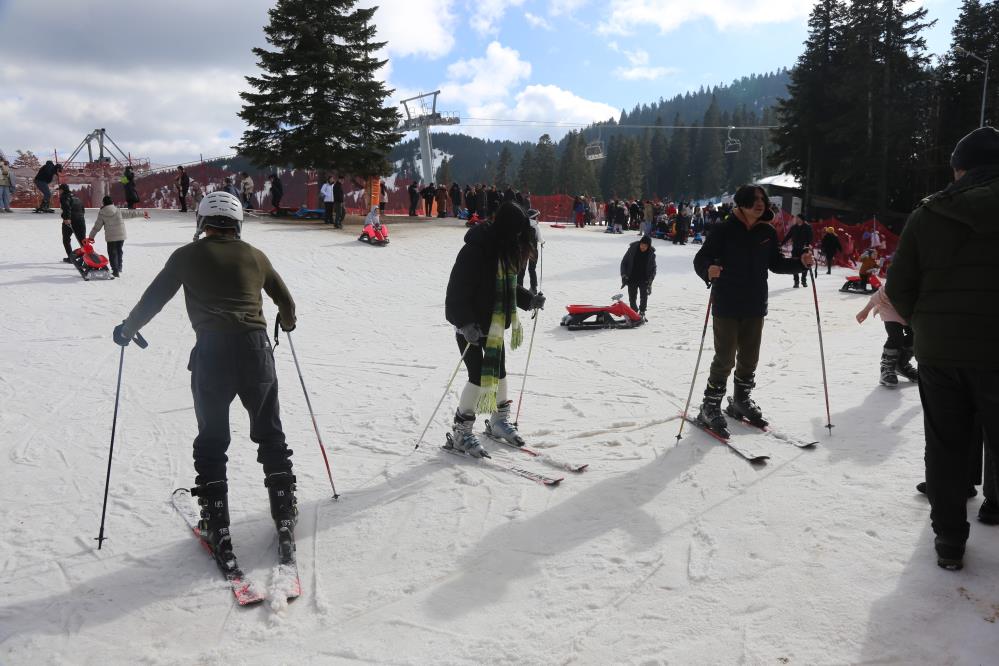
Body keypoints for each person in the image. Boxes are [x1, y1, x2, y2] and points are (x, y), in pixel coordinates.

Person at [113, 190, 298, 574]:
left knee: (212, 440)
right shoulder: (255, 256)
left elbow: (154, 298)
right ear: (237, 223)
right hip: (255, 350)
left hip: (212, 353)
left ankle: (217, 524)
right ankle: (284, 513)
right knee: (270, 433)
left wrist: (129, 328)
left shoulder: (186, 256)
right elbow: (286, 302)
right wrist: (289, 321)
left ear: (202, 223)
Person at [884, 125, 999, 570]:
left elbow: (900, 288)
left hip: (942, 352)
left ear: (958, 168)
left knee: (947, 442)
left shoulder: (930, 212)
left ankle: (950, 540)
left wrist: (926, 325)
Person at [692, 185, 814, 436]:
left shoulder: (766, 231)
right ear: (741, 202)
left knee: (749, 358)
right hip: (726, 302)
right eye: (755, 199)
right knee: (725, 357)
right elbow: (701, 258)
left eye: (763, 200)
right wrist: (708, 271)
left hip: (755, 304)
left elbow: (776, 264)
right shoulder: (724, 229)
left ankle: (740, 400)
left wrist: (800, 264)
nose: (760, 204)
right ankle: (710, 405)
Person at [445, 202, 546, 456]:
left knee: (499, 372)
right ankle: (461, 431)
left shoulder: (503, 247)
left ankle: (499, 420)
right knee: (478, 376)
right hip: (470, 327)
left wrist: (528, 299)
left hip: (494, 325)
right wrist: (465, 322)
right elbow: (455, 292)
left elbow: (508, 287)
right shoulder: (475, 250)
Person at [855, 287, 917, 387]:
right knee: (896, 337)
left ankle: (901, 364)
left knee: (915, 336)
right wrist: (865, 311)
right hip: (889, 307)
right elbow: (876, 297)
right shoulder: (895, 282)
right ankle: (886, 367)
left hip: (908, 310)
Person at [89, 196, 127, 277]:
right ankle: (119, 267)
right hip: (121, 234)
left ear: (104, 203)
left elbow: (97, 226)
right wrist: (142, 213)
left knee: (112, 253)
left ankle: (115, 271)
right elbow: (130, 213)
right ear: (112, 202)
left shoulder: (102, 212)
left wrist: (91, 236)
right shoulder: (117, 209)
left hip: (111, 237)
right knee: (119, 250)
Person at [621, 235, 656, 318]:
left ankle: (642, 311)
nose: (643, 247)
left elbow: (653, 268)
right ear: (640, 243)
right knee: (632, 297)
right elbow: (624, 262)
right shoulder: (632, 249)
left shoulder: (651, 254)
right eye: (642, 245)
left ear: (648, 246)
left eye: (645, 246)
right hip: (632, 277)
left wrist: (650, 280)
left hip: (644, 279)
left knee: (644, 296)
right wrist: (623, 274)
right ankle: (634, 311)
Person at [782, 217, 813, 287]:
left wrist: (808, 245)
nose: (797, 220)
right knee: (794, 265)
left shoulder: (807, 227)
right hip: (795, 250)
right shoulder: (794, 227)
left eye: (799, 219)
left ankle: (804, 280)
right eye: (797, 219)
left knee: (805, 265)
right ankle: (796, 282)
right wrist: (782, 243)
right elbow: (788, 236)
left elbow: (810, 237)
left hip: (804, 249)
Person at [58, 184, 86, 262]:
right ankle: (86, 258)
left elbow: (66, 207)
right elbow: (83, 209)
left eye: (59, 190)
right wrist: (80, 217)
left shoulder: (64, 196)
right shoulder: (76, 197)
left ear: (62, 190)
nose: (59, 192)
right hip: (81, 220)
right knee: (82, 240)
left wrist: (67, 218)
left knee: (66, 239)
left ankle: (71, 258)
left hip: (70, 220)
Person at [517, 208, 543, 293]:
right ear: (534, 218)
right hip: (533, 251)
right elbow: (540, 239)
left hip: (523, 250)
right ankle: (533, 287)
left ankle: (519, 286)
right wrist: (543, 242)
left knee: (522, 268)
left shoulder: (522, 225)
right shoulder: (536, 226)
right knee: (532, 269)